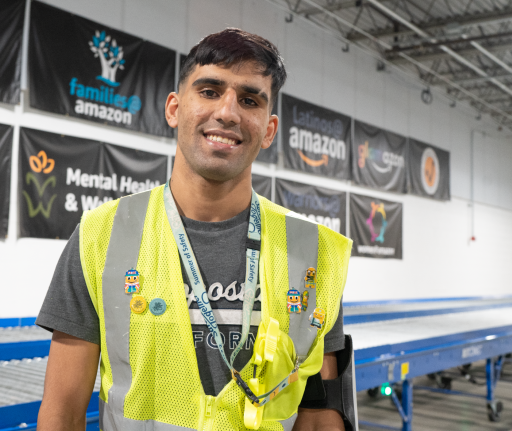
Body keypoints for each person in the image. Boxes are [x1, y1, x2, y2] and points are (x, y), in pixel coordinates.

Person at [36, 28, 352, 431]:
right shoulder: (101, 235)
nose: (227, 112)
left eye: (250, 99)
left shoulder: (314, 253)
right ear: (174, 108)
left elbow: (318, 416)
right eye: (208, 91)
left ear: (269, 130)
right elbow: (62, 412)